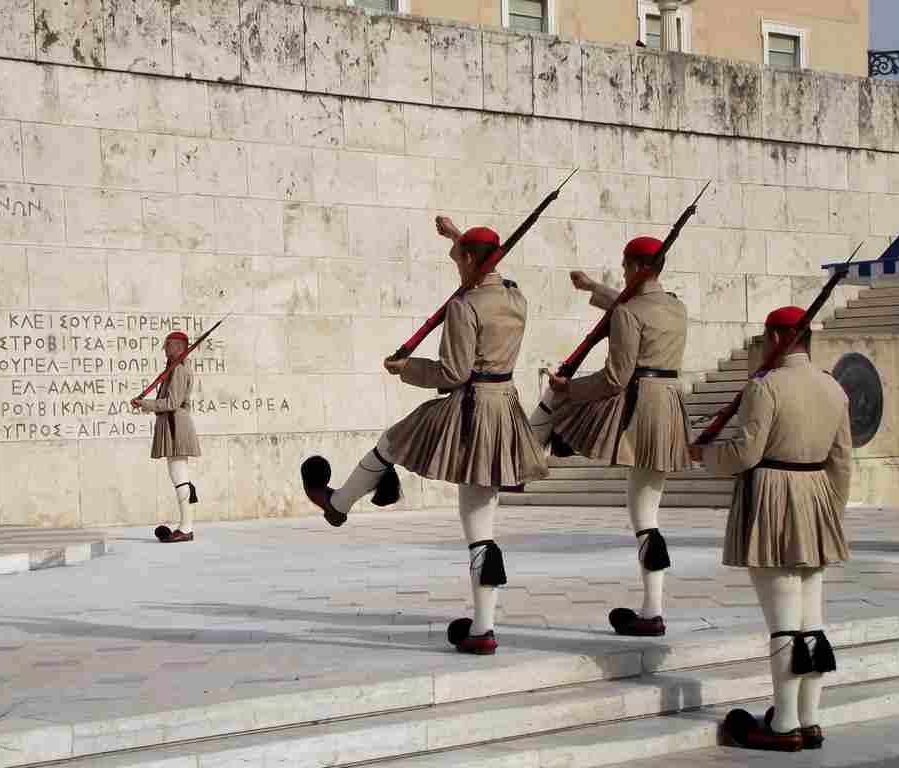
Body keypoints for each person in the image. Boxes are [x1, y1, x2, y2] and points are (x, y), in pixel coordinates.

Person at [301, 216, 548, 655]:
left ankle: (338, 504)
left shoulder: (463, 306)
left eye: (458, 259)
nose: (455, 266)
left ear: (471, 260)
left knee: (392, 443)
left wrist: (406, 369)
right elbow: (491, 271)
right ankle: (482, 628)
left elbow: (452, 372)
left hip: (470, 407)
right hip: (505, 408)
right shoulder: (516, 297)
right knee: (480, 526)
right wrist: (458, 237)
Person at [690, 305, 852, 752]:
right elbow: (841, 462)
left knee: (784, 623)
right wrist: (829, 513)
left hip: (775, 497)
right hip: (817, 495)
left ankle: (783, 726)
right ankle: (810, 719)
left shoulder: (765, 388)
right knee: (811, 621)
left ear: (774, 338)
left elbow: (745, 453)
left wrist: (703, 456)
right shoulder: (833, 387)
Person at [529, 236, 690, 637]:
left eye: (624, 267)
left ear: (637, 267)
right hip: (669, 405)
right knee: (648, 512)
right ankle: (652, 608)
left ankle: (527, 453)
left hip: (638, 404)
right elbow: (635, 308)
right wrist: (593, 289)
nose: (621, 272)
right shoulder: (675, 306)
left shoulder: (630, 314)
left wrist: (569, 389)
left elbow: (615, 376)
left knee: (642, 517)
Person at [132, 331, 202, 543]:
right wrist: (148, 406)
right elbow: (167, 401)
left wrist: (146, 403)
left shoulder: (179, 370)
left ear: (179, 348)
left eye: (168, 345)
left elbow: (172, 403)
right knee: (178, 475)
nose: (165, 349)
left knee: (179, 475)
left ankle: (186, 527)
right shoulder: (173, 369)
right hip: (171, 423)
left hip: (175, 425)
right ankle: (185, 526)